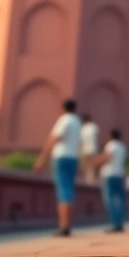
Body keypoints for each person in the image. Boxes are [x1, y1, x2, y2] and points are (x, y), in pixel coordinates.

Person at [34, 97, 82, 237]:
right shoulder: (77, 122)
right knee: (69, 190)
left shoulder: (64, 120)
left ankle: (64, 226)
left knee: (64, 192)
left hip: (61, 157)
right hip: (73, 157)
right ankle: (67, 224)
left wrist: (42, 159)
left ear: (63, 108)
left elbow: (54, 138)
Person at [95, 129, 128, 232]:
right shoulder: (122, 146)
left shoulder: (111, 145)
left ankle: (114, 223)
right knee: (120, 200)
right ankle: (120, 222)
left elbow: (107, 157)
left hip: (109, 174)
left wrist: (97, 162)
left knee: (110, 200)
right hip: (119, 174)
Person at [79, 113, 99, 183]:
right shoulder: (94, 127)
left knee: (85, 167)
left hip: (84, 149)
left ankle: (86, 180)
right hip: (93, 149)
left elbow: (81, 140)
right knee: (91, 167)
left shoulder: (83, 128)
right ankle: (91, 180)